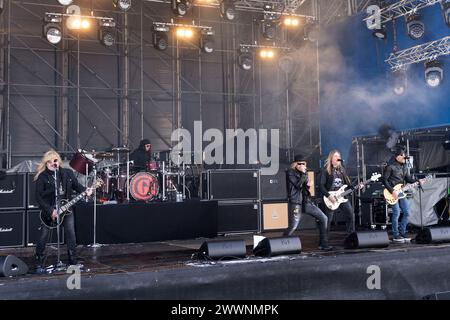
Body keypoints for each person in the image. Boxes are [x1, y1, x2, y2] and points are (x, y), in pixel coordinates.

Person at [34, 150, 93, 273]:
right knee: (44, 235)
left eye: (55, 160)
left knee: (71, 234)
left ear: (58, 161)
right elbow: (38, 197)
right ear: (46, 163)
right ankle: (39, 261)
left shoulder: (67, 173)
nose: (52, 163)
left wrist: (86, 190)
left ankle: (73, 262)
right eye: (49, 161)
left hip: (67, 208)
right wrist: (50, 211)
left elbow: (77, 186)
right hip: (49, 210)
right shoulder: (42, 177)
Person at [285, 154, 332, 250]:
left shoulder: (304, 173)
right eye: (300, 163)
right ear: (295, 164)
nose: (302, 165)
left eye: (303, 163)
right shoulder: (290, 172)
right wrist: (303, 174)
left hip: (306, 202)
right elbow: (298, 186)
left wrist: (308, 184)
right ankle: (282, 244)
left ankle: (323, 244)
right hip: (296, 202)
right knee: (293, 227)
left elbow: (304, 187)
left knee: (324, 218)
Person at [382, 146, 417, 243]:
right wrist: (392, 191)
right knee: (396, 212)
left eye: (404, 155)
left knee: (407, 212)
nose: (404, 157)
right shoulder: (390, 166)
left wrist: (418, 181)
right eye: (402, 155)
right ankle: (395, 234)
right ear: (397, 156)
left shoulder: (404, 166)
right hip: (391, 192)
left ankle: (402, 231)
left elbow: (408, 179)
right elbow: (384, 180)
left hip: (401, 192)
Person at [319, 149, 359, 235]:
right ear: (331, 158)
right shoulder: (326, 170)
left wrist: (358, 186)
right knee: (328, 220)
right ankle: (324, 242)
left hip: (342, 197)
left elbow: (348, 185)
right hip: (330, 198)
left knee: (351, 215)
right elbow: (321, 186)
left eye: (339, 156)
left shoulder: (342, 170)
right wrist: (329, 196)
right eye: (336, 156)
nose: (338, 158)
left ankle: (350, 236)